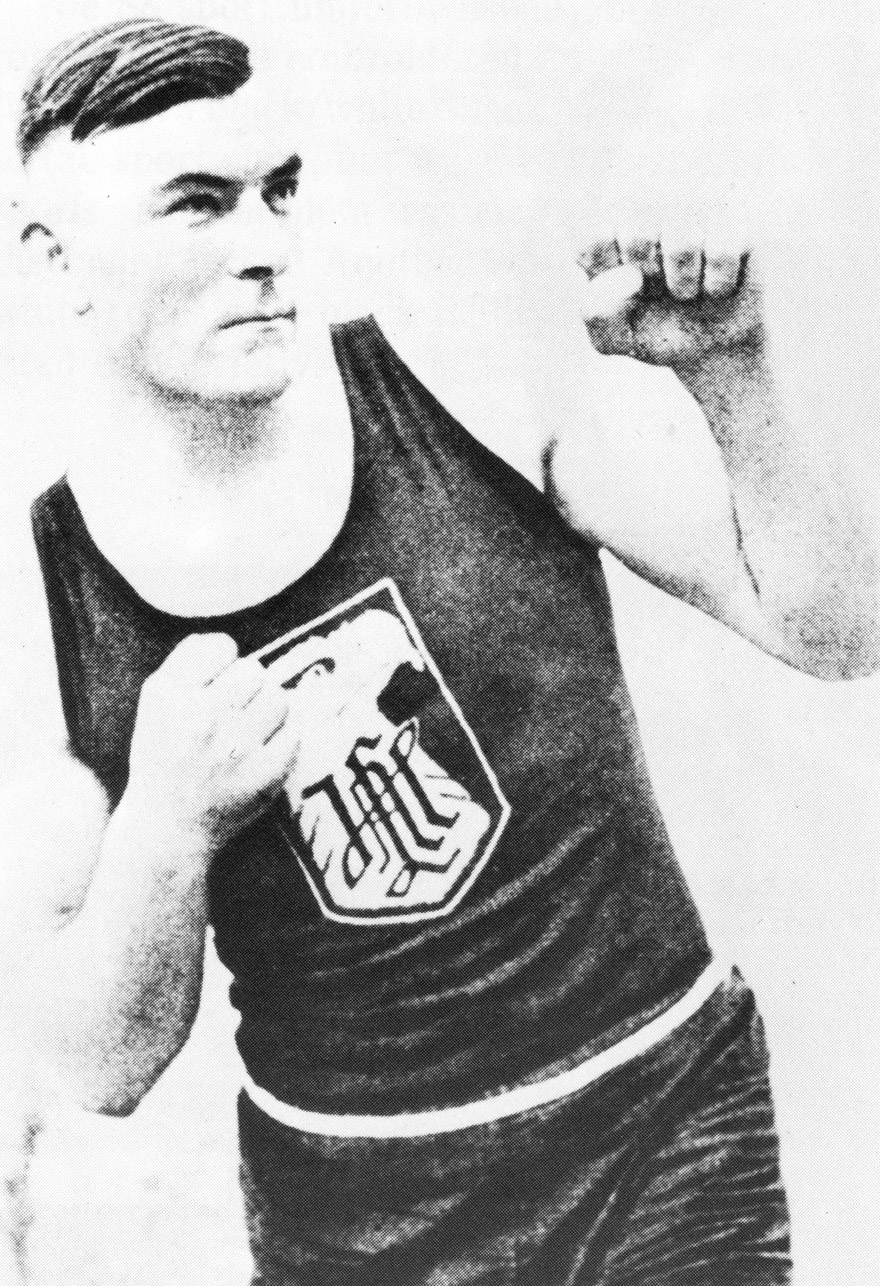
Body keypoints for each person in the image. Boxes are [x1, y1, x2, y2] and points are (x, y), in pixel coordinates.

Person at [1, 16, 877, 1286]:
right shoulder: (44, 600)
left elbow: (834, 630)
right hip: (357, 1218)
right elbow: (96, 1063)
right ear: (54, 254)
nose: (264, 246)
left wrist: (735, 374)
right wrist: (167, 823)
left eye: (278, 191)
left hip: (657, 1132)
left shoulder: (451, 376)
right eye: (198, 204)